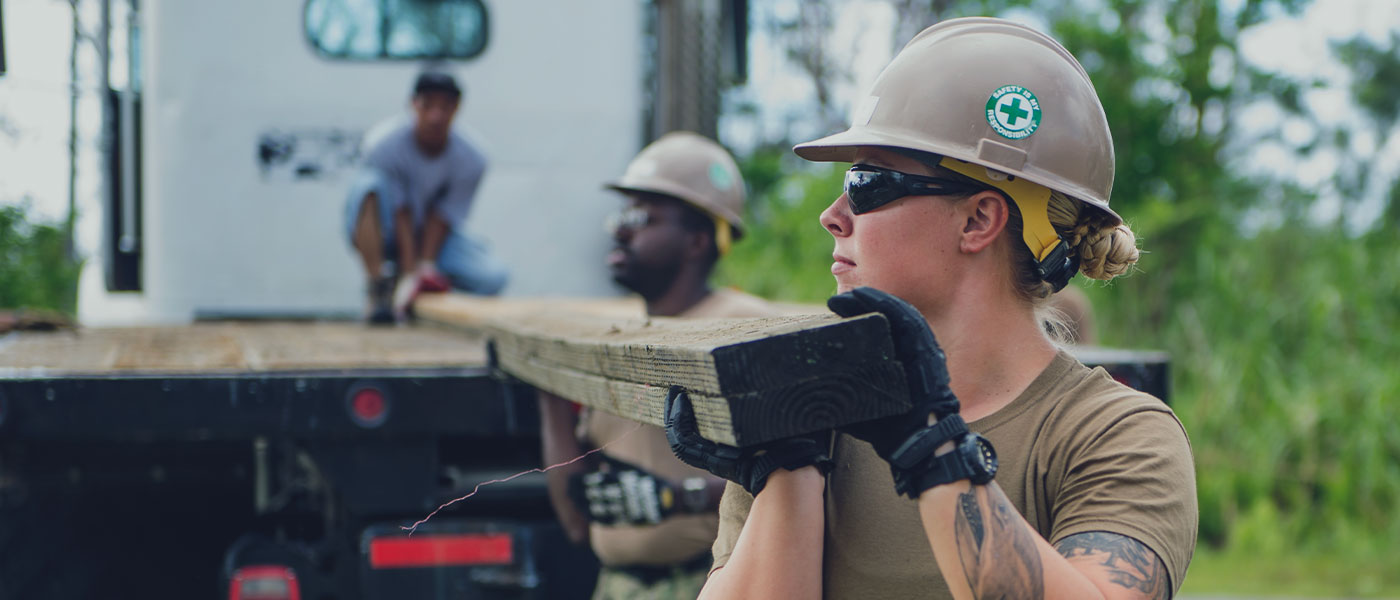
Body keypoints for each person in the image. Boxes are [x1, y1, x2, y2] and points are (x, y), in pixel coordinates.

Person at [663, 17, 1197, 600]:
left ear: (979, 220)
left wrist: (933, 451)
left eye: (867, 184)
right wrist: (788, 472)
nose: (833, 216)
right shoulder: (811, 415)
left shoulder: (1113, 435)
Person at [538, 131, 777, 600]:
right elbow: (573, 520)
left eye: (642, 216)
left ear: (696, 241)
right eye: (622, 215)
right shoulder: (624, 338)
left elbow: (790, 474)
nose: (621, 229)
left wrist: (678, 495)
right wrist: (547, 385)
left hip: (704, 584)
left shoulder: (744, 328)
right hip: (616, 587)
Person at [344, 70, 508, 324]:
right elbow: (400, 212)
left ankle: (427, 292)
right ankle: (378, 286)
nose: (435, 116)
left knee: (494, 276)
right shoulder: (383, 145)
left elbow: (443, 216)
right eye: (427, 105)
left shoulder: (473, 157)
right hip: (387, 233)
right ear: (413, 104)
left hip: (437, 242)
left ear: (457, 108)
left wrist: (425, 268)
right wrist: (410, 270)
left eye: (444, 107)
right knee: (368, 185)